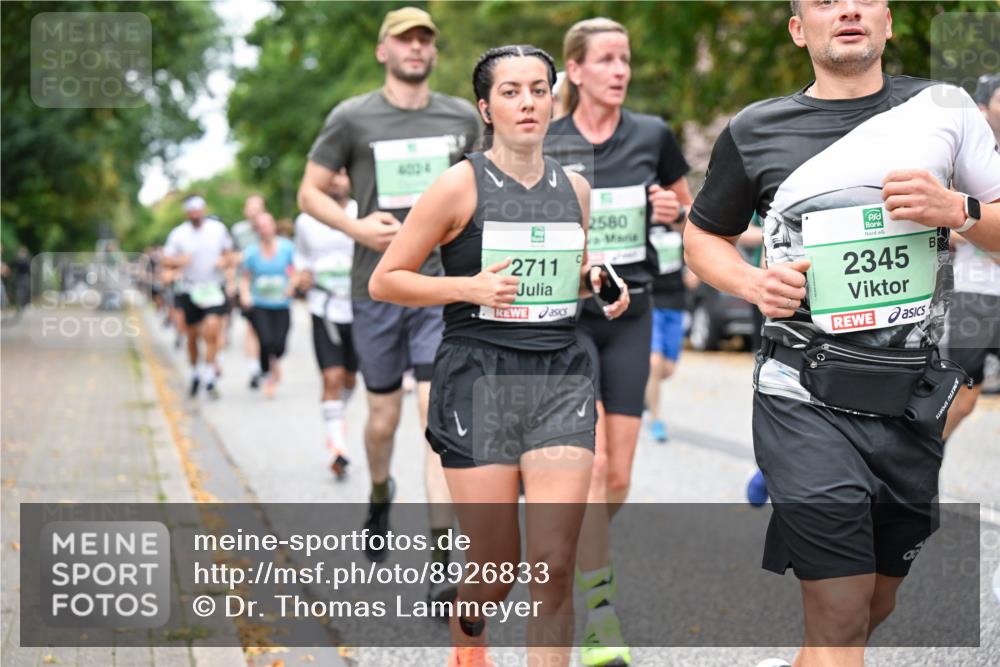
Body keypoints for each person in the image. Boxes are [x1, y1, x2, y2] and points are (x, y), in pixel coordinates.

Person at [683, 2, 1000, 667]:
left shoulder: (945, 109)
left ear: (888, 21)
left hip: (909, 398)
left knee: (871, 607)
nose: (848, 8)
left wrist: (960, 210)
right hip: (802, 393)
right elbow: (703, 237)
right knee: (841, 609)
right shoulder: (755, 128)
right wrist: (752, 284)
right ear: (799, 29)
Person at [370, 43, 629, 667]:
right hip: (478, 380)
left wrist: (596, 283)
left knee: (553, 565)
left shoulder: (575, 189)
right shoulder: (458, 185)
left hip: (559, 377)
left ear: (553, 101)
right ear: (486, 108)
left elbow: (566, 276)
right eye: (511, 92)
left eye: (539, 90)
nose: (528, 102)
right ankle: (469, 642)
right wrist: (468, 288)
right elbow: (386, 280)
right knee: (496, 568)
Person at [297, 6, 479, 604]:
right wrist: (356, 227)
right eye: (404, 40)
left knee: (434, 415)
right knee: (382, 419)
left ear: (434, 51)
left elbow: (490, 180)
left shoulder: (460, 117)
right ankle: (380, 493)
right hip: (375, 288)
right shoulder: (353, 117)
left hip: (440, 286)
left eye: (425, 39)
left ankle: (441, 558)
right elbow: (309, 192)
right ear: (384, 51)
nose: (416, 48)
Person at [544, 17, 693, 666]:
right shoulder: (546, 140)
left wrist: (673, 212)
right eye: (605, 59)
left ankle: (573, 548)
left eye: (625, 59)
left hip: (633, 311)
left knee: (620, 475)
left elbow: (693, 214)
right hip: (568, 316)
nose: (620, 70)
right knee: (597, 464)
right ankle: (600, 612)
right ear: (575, 70)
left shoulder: (652, 135)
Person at [942, 73, 1000, 439]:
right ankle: (919, 467)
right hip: (975, 294)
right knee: (961, 399)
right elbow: (942, 227)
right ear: (982, 109)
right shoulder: (961, 159)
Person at [294, 167, 359, 478]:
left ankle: (336, 417)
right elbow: (301, 263)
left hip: (359, 310)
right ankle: (338, 449)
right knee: (332, 378)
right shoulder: (306, 221)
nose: (335, 180)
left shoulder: (364, 212)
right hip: (324, 309)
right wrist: (302, 279)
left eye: (342, 173)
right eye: (330, 173)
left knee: (350, 380)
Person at [163, 195, 235, 399]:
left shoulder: (218, 229)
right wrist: (179, 261)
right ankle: (195, 372)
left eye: (198, 210)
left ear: (203, 210)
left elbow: (229, 254)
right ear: (187, 213)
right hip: (190, 289)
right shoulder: (178, 234)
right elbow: (166, 260)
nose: (195, 214)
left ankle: (210, 375)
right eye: (191, 211)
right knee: (193, 336)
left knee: (212, 330)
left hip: (213, 287)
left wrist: (224, 262)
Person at [240, 212, 296, 399]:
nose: (265, 229)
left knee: (279, 345)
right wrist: (245, 294)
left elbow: (296, 271)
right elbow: (245, 277)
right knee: (265, 341)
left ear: (274, 226)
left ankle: (274, 362)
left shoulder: (287, 248)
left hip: (281, 303)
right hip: (260, 304)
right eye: (261, 226)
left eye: (267, 224)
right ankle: (269, 376)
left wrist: (292, 285)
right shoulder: (251, 252)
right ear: (256, 230)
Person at [232, 194, 266, 389]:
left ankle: (267, 364)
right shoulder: (238, 231)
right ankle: (254, 368)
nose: (254, 213)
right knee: (252, 327)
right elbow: (230, 255)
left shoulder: (268, 228)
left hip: (269, 287)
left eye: (258, 209)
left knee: (268, 331)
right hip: (248, 285)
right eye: (251, 209)